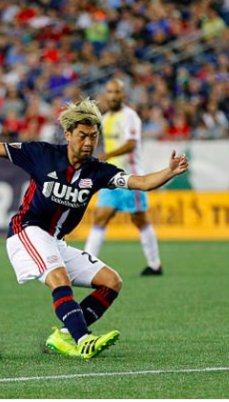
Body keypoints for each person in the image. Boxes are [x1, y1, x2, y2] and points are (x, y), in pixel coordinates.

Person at [0, 98, 189, 359]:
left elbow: (140, 182)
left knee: (112, 282)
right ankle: (83, 340)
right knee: (59, 277)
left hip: (55, 240)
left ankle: (65, 335)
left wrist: (168, 172)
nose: (89, 142)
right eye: (82, 135)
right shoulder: (41, 154)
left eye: (93, 136)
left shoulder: (98, 171)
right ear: (68, 134)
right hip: (26, 231)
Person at [84, 79, 164, 276]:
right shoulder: (106, 117)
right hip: (110, 177)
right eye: (110, 92)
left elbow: (131, 144)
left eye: (117, 92)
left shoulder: (130, 117)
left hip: (131, 176)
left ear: (123, 94)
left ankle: (155, 264)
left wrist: (106, 156)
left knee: (139, 219)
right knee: (100, 216)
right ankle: (85, 263)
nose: (113, 96)